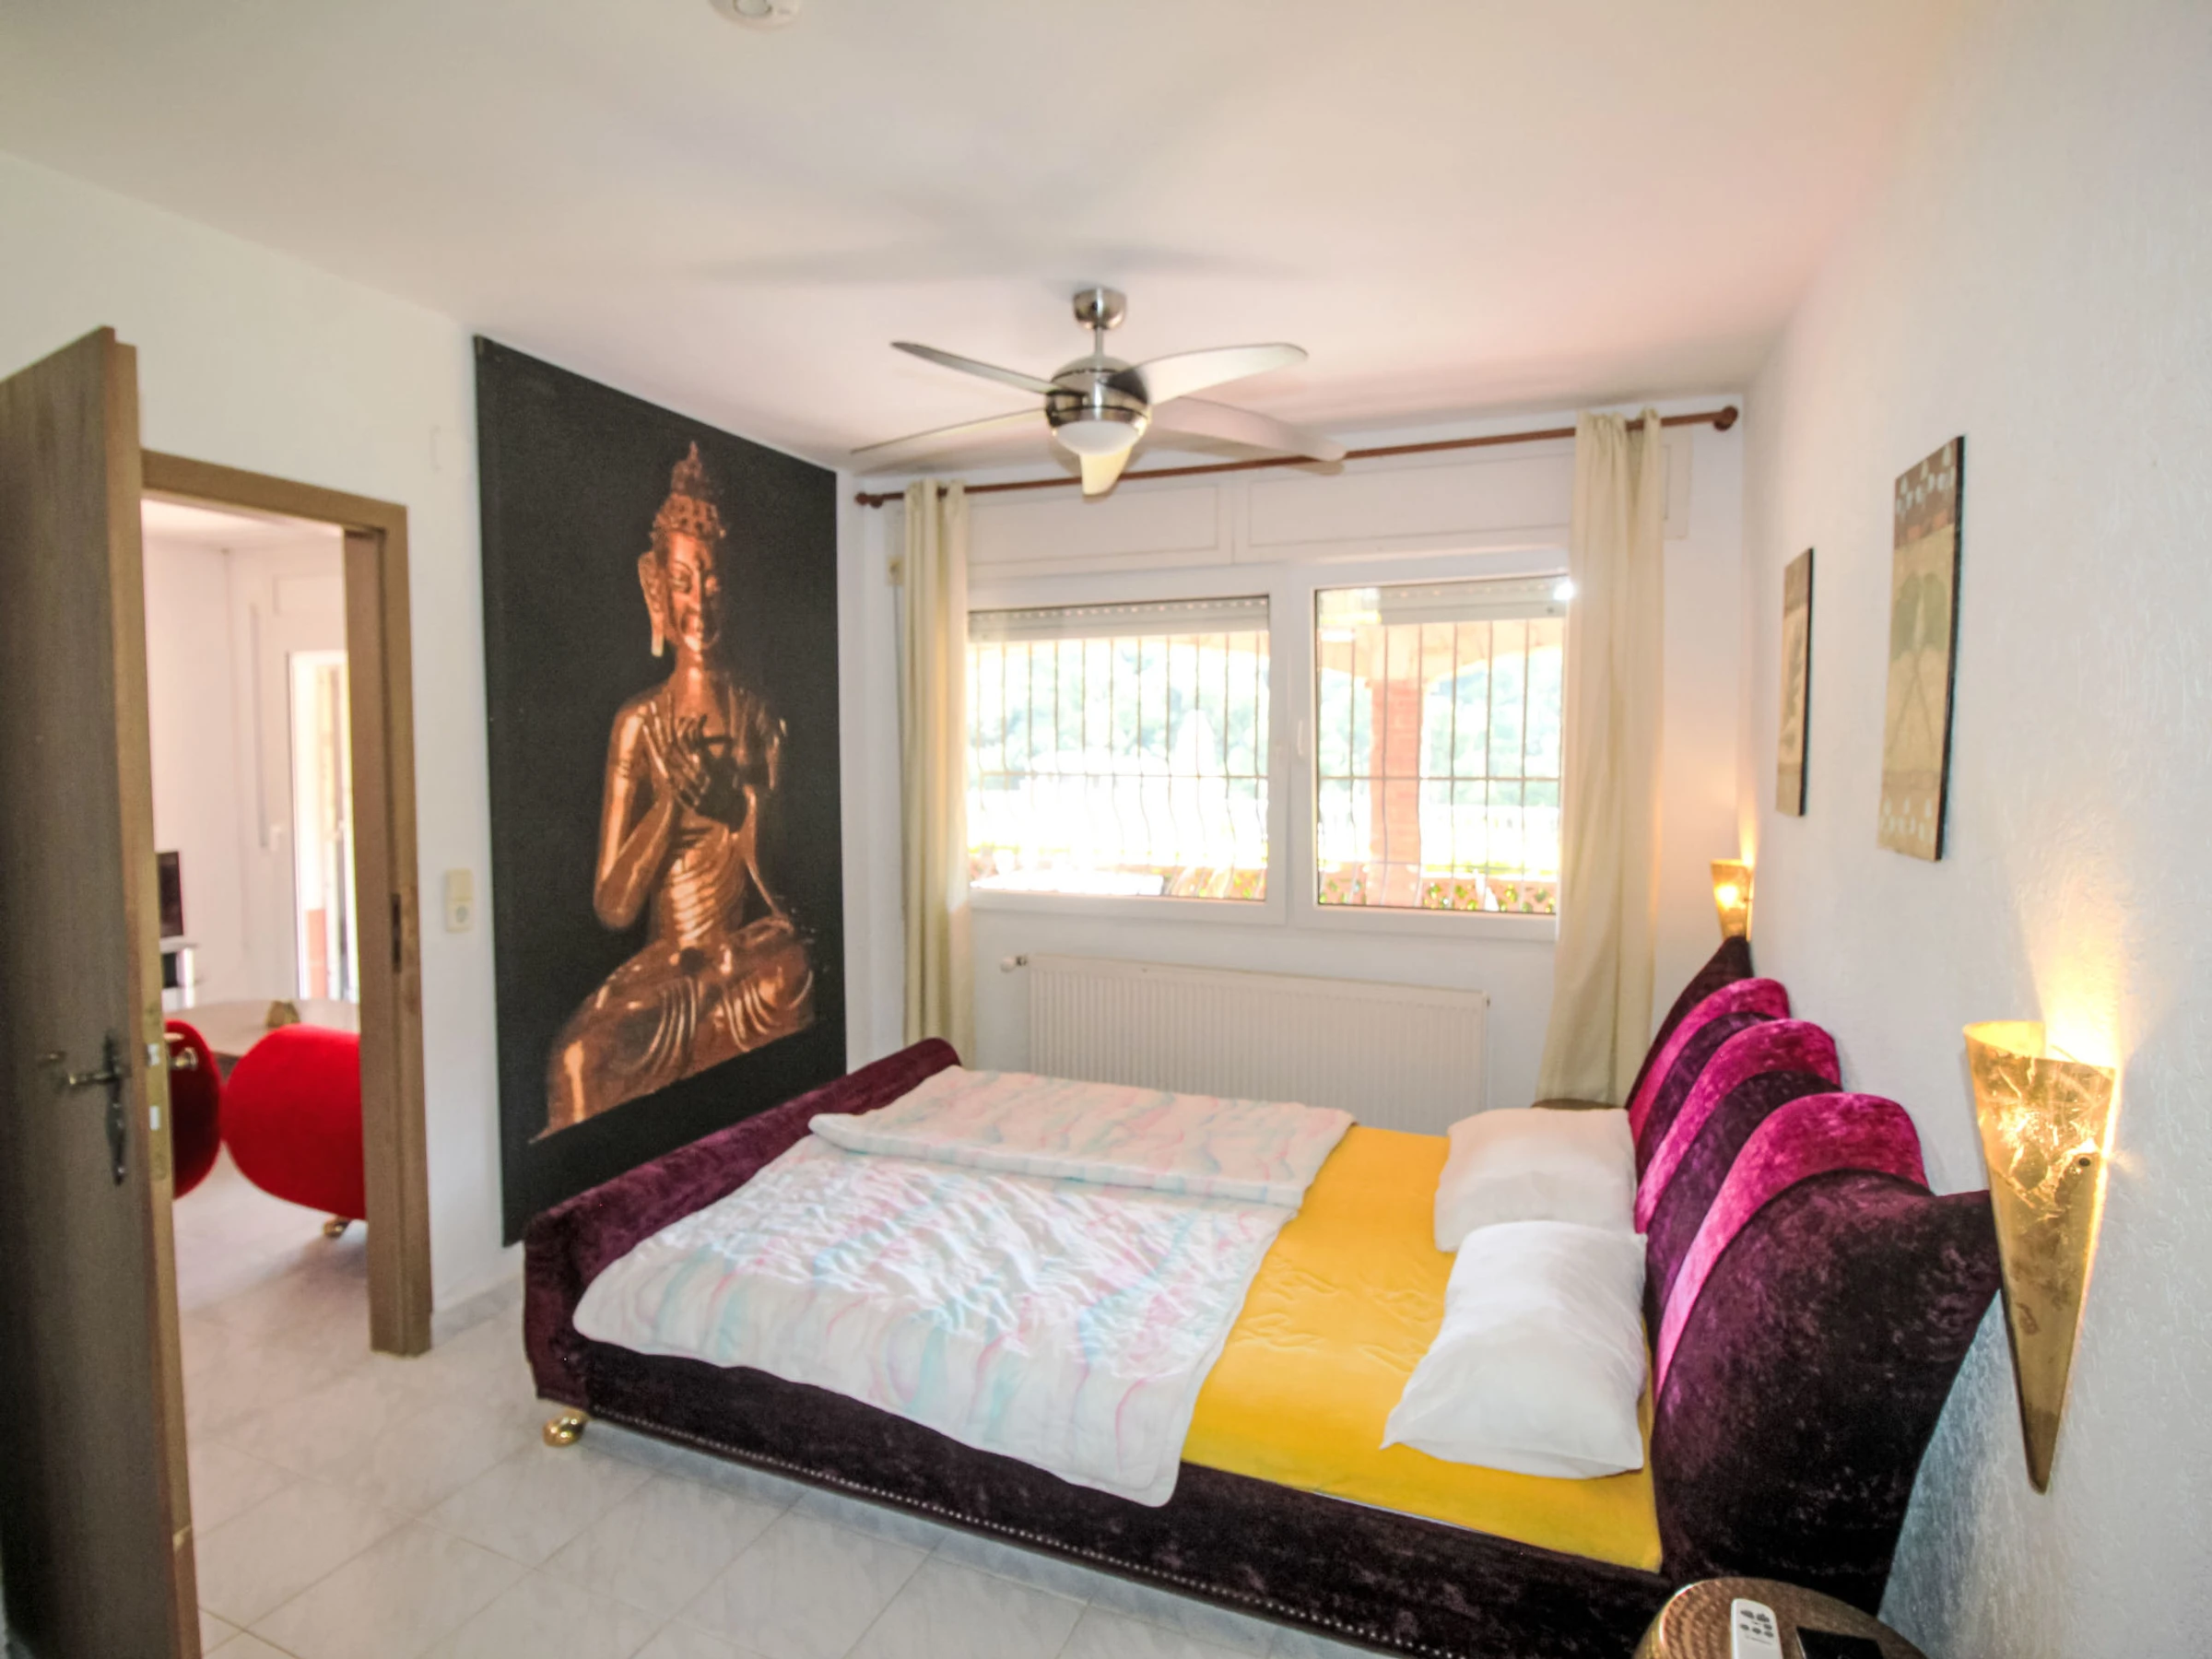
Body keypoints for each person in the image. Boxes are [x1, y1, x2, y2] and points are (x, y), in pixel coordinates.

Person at [542, 442, 813, 1135]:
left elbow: (782, 890)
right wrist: (669, 809)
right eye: (684, 582)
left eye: (713, 584)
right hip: (670, 968)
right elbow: (613, 905)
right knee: (578, 1060)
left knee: (791, 973)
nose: (700, 604)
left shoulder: (759, 718)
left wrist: (735, 811)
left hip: (743, 964)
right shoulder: (639, 724)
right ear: (656, 586)